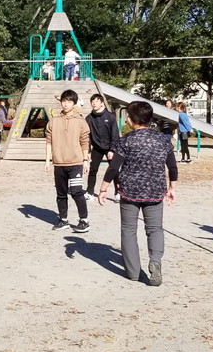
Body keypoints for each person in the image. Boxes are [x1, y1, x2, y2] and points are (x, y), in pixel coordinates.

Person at [96, 101, 177, 286]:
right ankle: (155, 260)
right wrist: (172, 187)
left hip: (129, 192)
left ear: (132, 119)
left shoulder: (125, 141)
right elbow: (172, 167)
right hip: (155, 191)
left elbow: (114, 168)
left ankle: (133, 272)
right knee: (155, 229)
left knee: (129, 230)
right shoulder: (163, 140)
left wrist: (103, 189)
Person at [46, 90, 91, 233]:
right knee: (61, 193)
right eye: (64, 101)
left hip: (76, 163)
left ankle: (84, 220)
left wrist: (85, 160)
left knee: (77, 192)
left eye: (69, 101)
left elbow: (85, 141)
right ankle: (63, 220)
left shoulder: (80, 121)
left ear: (74, 103)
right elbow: (48, 141)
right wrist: (47, 160)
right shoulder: (54, 120)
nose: (66, 104)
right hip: (59, 163)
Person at [84, 94, 118, 201]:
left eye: (97, 101)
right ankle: (89, 192)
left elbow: (115, 134)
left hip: (110, 147)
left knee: (114, 169)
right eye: (92, 101)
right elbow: (87, 136)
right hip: (97, 148)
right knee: (93, 169)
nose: (94, 103)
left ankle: (118, 193)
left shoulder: (110, 116)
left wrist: (112, 150)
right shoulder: (89, 118)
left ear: (102, 103)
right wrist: (88, 151)